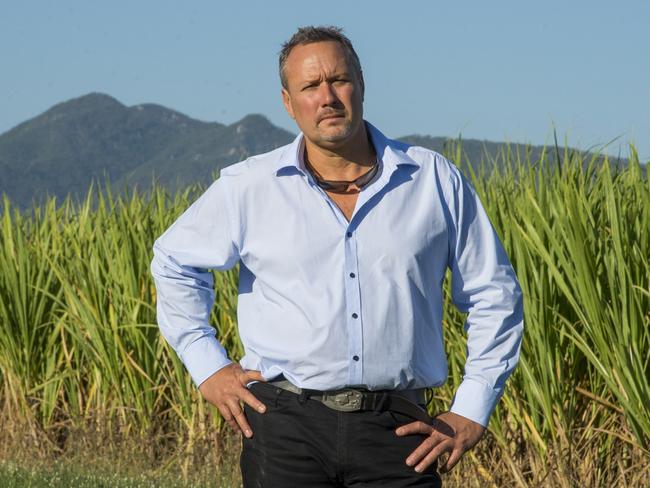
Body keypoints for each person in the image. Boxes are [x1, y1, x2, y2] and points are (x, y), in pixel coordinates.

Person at [151, 25, 524, 487]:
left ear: (361, 85)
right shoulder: (249, 187)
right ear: (289, 103)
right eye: (310, 86)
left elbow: (495, 295)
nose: (326, 96)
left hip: (400, 433)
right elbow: (173, 260)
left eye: (338, 80)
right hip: (284, 429)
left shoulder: (432, 180)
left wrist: (473, 408)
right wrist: (207, 365)